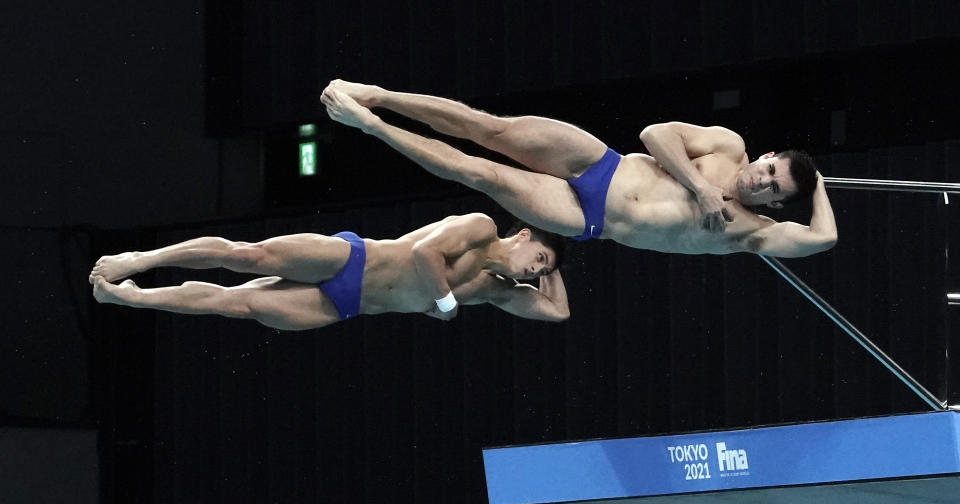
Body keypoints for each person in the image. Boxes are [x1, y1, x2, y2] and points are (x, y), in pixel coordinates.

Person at [320, 80, 837, 258]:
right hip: (600, 162)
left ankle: (371, 126)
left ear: (775, 205)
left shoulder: (751, 234)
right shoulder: (727, 147)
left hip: (587, 216)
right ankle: (381, 96)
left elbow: (823, 239)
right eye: (771, 170)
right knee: (490, 129)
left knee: (480, 173)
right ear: (766, 155)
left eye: (774, 191)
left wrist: (818, 187)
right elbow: (654, 134)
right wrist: (701, 187)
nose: (762, 182)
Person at [89, 213, 569, 329]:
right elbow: (425, 255)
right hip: (350, 259)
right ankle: (144, 259)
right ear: (524, 234)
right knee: (245, 255)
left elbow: (557, 314)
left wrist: (561, 254)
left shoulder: (493, 288)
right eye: (540, 259)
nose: (533, 272)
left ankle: (132, 296)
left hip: (346, 304)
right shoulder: (481, 228)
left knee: (241, 303)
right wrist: (444, 301)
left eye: (540, 271)